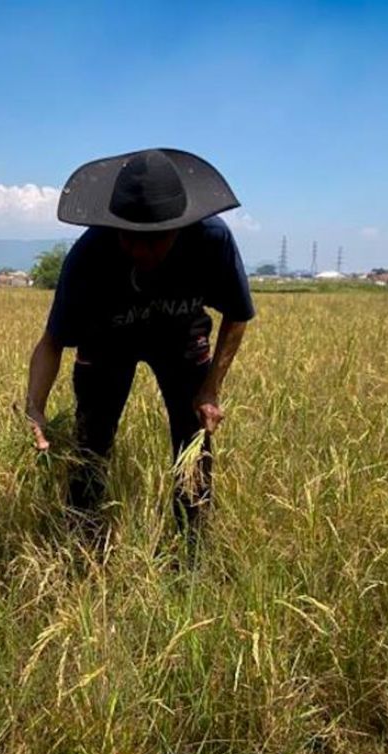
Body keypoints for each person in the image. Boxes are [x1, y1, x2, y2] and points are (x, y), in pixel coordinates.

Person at [24, 148, 254, 552]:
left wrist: (211, 388)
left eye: (156, 241)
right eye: (131, 240)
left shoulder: (211, 239)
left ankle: (192, 551)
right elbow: (53, 340)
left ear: (179, 226)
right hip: (107, 338)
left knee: (194, 443)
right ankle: (82, 549)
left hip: (180, 337)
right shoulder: (89, 254)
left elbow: (237, 314)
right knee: (90, 442)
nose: (142, 252)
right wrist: (35, 408)